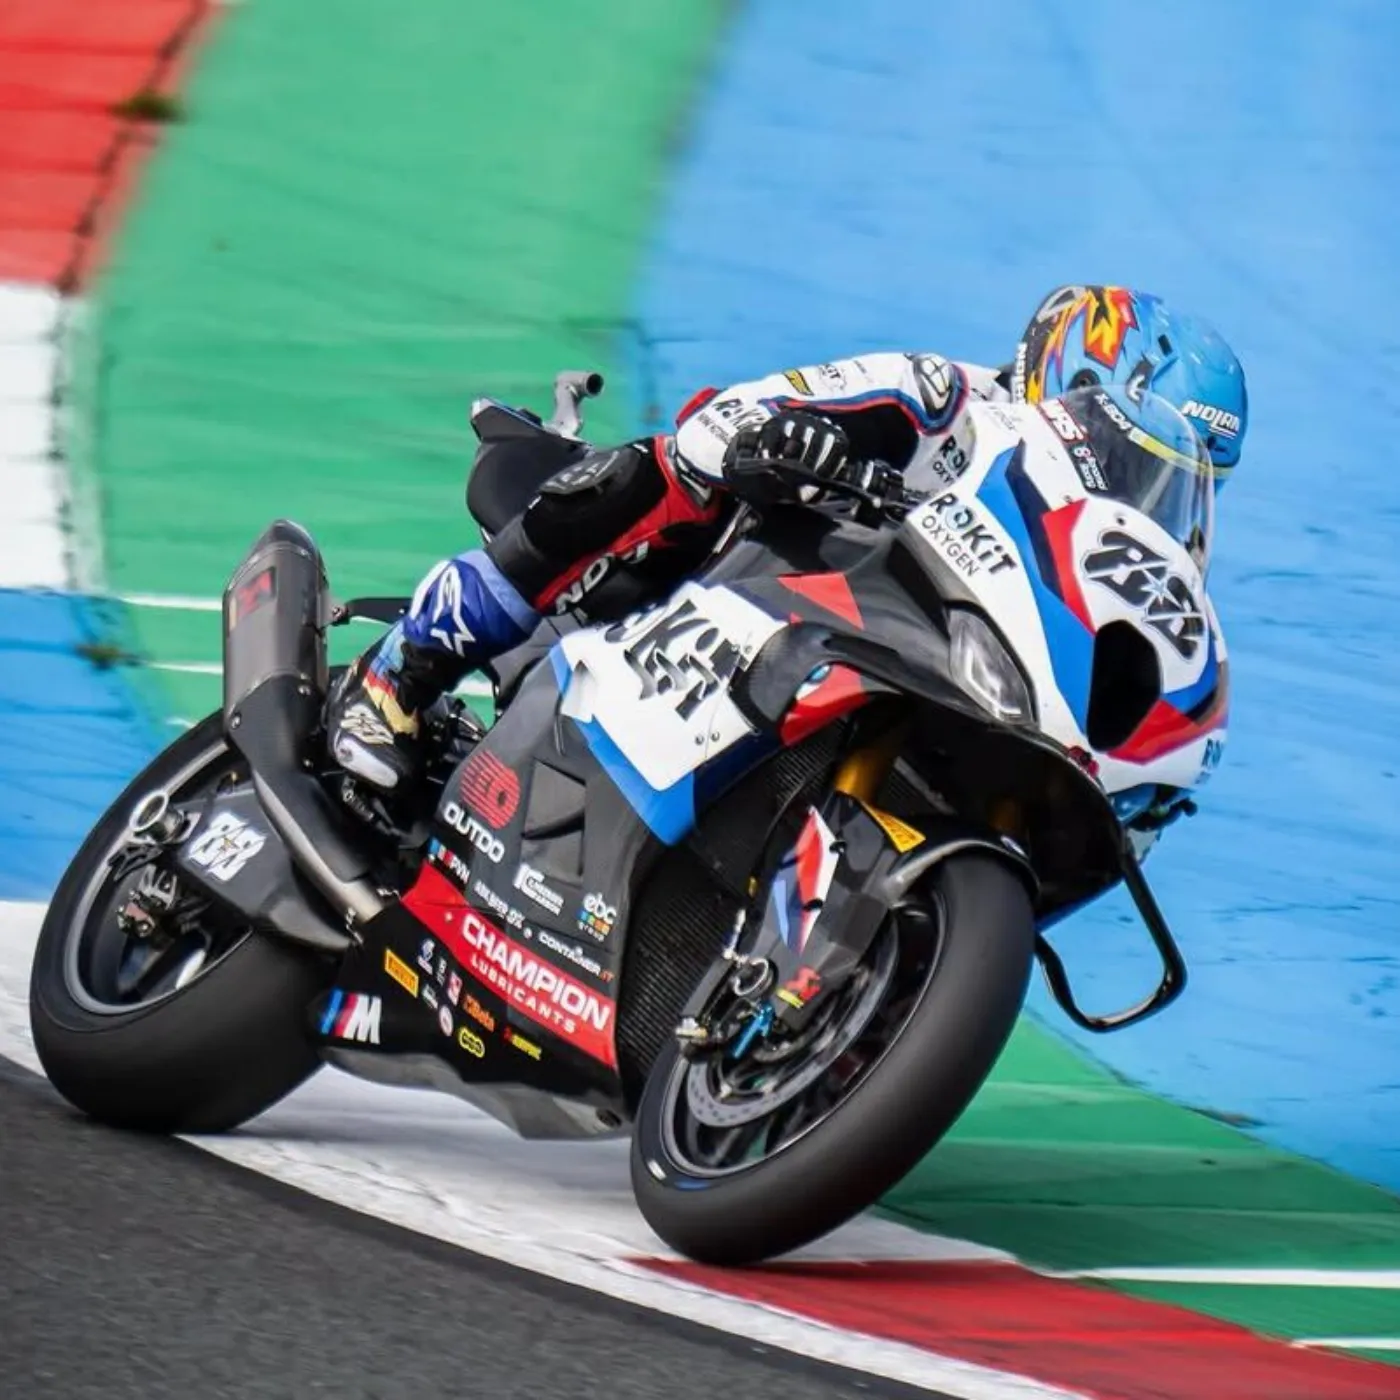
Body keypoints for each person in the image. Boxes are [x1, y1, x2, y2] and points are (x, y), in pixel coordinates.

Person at [327, 285, 1249, 794]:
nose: (1140, 480)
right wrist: (790, 444)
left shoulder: (1101, 551)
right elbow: (724, 422)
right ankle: (401, 671)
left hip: (878, 667)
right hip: (739, 579)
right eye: (1135, 445)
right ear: (1077, 377)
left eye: (1175, 471)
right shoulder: (946, 399)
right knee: (675, 469)